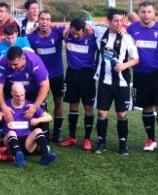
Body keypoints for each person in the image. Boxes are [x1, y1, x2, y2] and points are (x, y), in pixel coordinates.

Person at [127, 1, 158, 154]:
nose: (146, 14)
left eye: (149, 11)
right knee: (146, 107)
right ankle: (150, 140)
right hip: (140, 74)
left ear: (154, 13)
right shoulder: (131, 29)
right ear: (139, 13)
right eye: (143, 12)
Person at [91, 9, 139, 155]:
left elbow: (136, 59)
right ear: (108, 21)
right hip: (104, 82)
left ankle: (123, 145)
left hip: (122, 83)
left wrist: (124, 65)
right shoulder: (100, 32)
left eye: (121, 21)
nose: (119, 24)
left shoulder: (127, 38)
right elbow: (86, 24)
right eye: (115, 21)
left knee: (121, 114)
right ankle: (101, 142)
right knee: (102, 113)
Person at [0, 83, 57, 167]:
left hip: (27, 143)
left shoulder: (30, 106)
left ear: (25, 92)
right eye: (17, 96)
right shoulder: (4, 106)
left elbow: (49, 117)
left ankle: (45, 156)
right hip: (10, 144)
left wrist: (37, 120)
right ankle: (18, 158)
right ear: (11, 93)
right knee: (11, 133)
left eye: (22, 95)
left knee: (38, 130)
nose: (20, 98)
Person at [58, 18, 97, 151]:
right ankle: (72, 137)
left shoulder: (93, 36)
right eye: (73, 33)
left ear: (84, 29)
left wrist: (88, 24)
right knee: (73, 106)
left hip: (88, 75)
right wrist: (68, 27)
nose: (75, 36)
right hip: (72, 74)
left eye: (78, 34)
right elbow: (52, 25)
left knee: (88, 108)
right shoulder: (67, 34)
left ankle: (87, 139)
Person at [27, 10, 66, 143]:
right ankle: (44, 132)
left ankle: (57, 133)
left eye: (47, 19)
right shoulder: (31, 37)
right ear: (38, 20)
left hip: (57, 75)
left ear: (51, 21)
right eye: (42, 19)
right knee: (41, 103)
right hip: (40, 76)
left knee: (58, 102)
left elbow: (70, 28)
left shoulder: (58, 33)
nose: (44, 22)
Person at [0, 47, 50, 130]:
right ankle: (7, 136)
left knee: (38, 114)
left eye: (15, 64)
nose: (12, 67)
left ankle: (43, 138)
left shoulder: (34, 61)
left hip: (34, 90)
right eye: (10, 64)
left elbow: (45, 85)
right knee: (9, 113)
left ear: (23, 59)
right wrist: (3, 106)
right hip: (13, 90)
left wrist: (36, 106)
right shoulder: (3, 62)